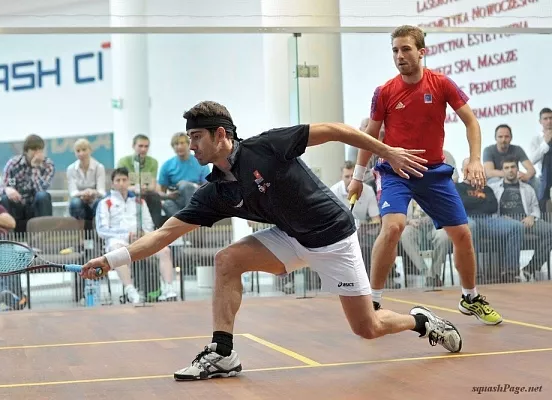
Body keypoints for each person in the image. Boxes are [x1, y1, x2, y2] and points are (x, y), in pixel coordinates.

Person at [82, 100, 463, 381]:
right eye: (188, 138)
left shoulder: (266, 147)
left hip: (333, 239)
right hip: (289, 237)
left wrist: (385, 152)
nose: (191, 145)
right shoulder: (214, 192)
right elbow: (163, 234)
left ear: (220, 135)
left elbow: (333, 129)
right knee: (227, 260)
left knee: (367, 328)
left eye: (196, 137)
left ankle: (419, 321)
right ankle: (222, 354)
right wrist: (110, 260)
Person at [347, 25, 502, 325]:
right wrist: (357, 175)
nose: (399, 56)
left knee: (462, 234)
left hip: (433, 172)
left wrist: (475, 159)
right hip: (396, 171)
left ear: (421, 52)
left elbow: (471, 122)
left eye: (405, 49)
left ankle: (470, 298)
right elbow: (371, 134)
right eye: (395, 50)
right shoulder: (384, 92)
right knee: (393, 228)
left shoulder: (441, 84)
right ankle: (373, 303)